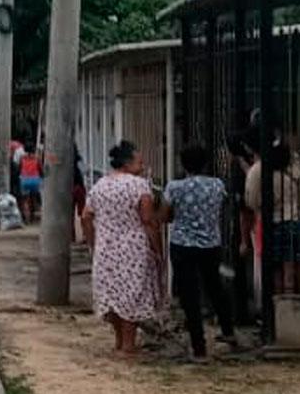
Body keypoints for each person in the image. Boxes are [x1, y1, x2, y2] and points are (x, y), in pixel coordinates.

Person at [82, 140, 162, 356]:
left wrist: (93, 243)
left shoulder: (100, 185)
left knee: (112, 295)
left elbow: (86, 216)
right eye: (139, 162)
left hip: (106, 248)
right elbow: (148, 220)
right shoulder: (139, 186)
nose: (143, 167)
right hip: (133, 248)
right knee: (131, 295)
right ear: (127, 163)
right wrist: (157, 249)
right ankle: (128, 345)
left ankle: (119, 341)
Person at [164, 145, 237, 361]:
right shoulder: (217, 185)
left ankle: (199, 348)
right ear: (205, 163)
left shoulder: (174, 187)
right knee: (215, 287)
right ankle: (228, 331)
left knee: (190, 296)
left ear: (182, 164)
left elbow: (165, 215)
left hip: (183, 245)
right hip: (210, 244)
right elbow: (221, 207)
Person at [244, 141, 300, 294]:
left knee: (279, 272)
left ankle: (281, 310)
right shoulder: (299, 165)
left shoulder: (260, 169)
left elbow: (251, 201)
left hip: (277, 221)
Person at [18, 141, 43, 223]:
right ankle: (32, 216)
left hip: (24, 179)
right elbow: (40, 169)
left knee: (25, 199)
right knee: (33, 198)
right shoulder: (36, 158)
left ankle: (26, 217)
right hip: (35, 180)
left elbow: (19, 168)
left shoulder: (22, 158)